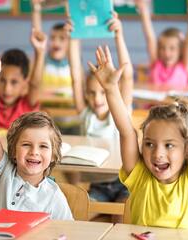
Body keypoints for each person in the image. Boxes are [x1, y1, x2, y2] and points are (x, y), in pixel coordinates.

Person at [89, 46, 188, 230]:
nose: (158, 153)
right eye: (149, 144)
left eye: (169, 145)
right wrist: (111, 89)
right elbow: (126, 132)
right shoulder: (140, 177)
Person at [0, 56, 73, 220]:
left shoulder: (55, 197)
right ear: (13, 150)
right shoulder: (4, 172)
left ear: (54, 155)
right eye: (26, 144)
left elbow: (68, 233)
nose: (34, 152)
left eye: (43, 146)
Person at [68, 13, 133, 220]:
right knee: (79, 217)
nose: (97, 99)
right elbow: (76, 76)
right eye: (91, 93)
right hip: (98, 187)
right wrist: (74, 37)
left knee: (120, 220)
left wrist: (119, 35)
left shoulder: (120, 109)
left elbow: (128, 75)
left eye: (103, 92)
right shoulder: (85, 113)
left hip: (124, 185)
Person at [135, 0, 188, 89]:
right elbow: (150, 39)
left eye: (172, 48)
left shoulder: (184, 66)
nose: (166, 53)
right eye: (162, 48)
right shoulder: (156, 63)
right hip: (155, 103)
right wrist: (144, 12)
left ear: (181, 51)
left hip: (177, 103)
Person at [32, 0, 71, 89]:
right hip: (44, 102)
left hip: (70, 103)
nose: (56, 42)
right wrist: (36, 8)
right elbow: (37, 34)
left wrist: (68, 3)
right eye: (52, 38)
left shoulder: (71, 60)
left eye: (62, 38)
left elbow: (71, 24)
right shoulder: (43, 61)